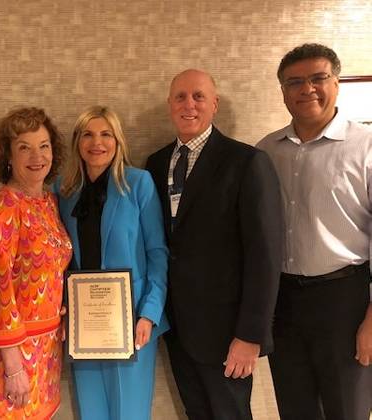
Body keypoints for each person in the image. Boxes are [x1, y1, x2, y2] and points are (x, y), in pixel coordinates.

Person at [145, 69, 282, 420]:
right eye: (180, 97)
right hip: (178, 329)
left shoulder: (247, 162)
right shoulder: (156, 164)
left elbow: (264, 256)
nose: (188, 104)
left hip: (227, 334)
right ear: (169, 105)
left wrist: (251, 335)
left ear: (215, 104)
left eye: (198, 96)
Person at [258, 43, 372, 420]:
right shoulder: (266, 151)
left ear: (336, 83)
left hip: (345, 300)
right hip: (284, 302)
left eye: (318, 78)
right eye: (295, 82)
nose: (307, 89)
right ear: (283, 93)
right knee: (295, 408)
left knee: (347, 409)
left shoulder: (365, 146)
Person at [57, 105, 169, 420]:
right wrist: (64, 309)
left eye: (106, 134)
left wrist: (149, 313)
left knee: (130, 413)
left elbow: (157, 253)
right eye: (88, 135)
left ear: (118, 141)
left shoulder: (138, 184)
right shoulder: (64, 192)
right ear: (77, 142)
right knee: (92, 412)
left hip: (132, 322)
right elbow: (61, 259)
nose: (97, 142)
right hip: (84, 324)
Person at [0, 107, 72, 419]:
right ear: (8, 156)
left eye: (43, 146)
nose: (37, 156)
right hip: (16, 354)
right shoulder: (6, 205)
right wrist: (12, 366)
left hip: (49, 346)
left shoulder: (49, 202)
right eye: (24, 147)